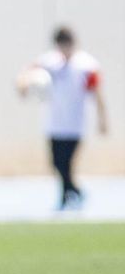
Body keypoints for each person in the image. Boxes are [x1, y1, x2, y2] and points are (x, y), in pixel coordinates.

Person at [18, 26, 108, 211]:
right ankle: (74, 193)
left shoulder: (86, 65)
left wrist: (102, 119)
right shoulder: (49, 62)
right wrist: (25, 85)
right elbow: (27, 74)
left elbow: (97, 92)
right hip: (54, 123)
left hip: (76, 123)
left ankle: (66, 197)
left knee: (66, 162)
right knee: (56, 163)